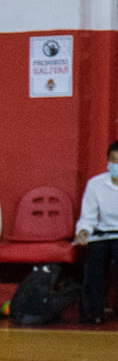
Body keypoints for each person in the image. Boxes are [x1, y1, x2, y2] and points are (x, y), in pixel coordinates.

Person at [74, 139, 118, 324]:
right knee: (95, 261)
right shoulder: (95, 185)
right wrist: (83, 231)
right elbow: (88, 217)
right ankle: (95, 312)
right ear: (107, 161)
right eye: (114, 160)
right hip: (101, 234)